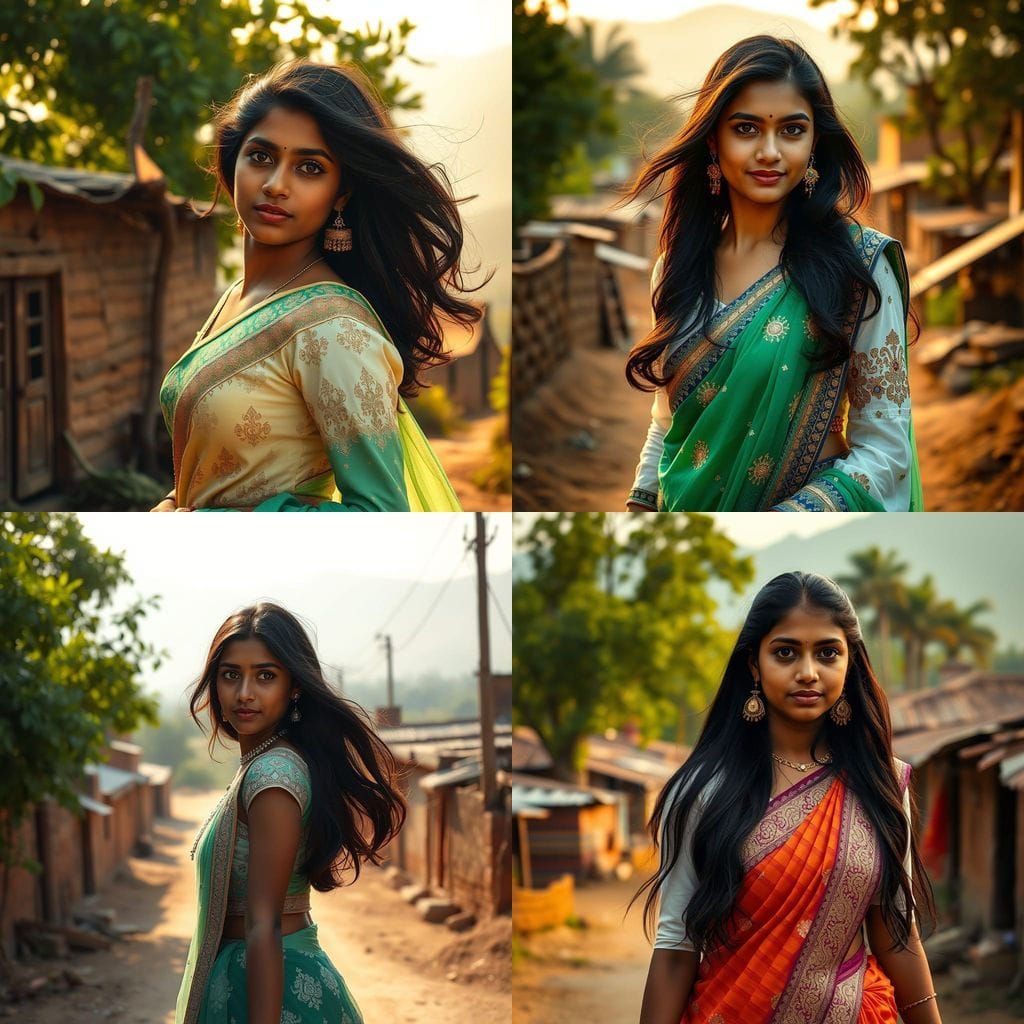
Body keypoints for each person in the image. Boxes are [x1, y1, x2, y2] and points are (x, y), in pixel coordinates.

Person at [153, 60, 482, 512]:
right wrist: (172, 504)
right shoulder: (237, 298)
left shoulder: (334, 330)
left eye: (309, 168)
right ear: (233, 163)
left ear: (340, 194)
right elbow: (210, 471)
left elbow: (382, 516)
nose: (275, 185)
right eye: (261, 157)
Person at [625, 37, 922, 512]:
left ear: (813, 143)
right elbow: (667, 423)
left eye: (791, 130)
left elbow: (886, 448)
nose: (769, 151)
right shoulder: (677, 267)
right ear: (713, 142)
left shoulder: (859, 267)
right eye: (745, 129)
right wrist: (640, 507)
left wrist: (787, 517)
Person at [636, 572, 941, 1024]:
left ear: (850, 663)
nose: (807, 672)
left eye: (827, 653)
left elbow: (897, 934)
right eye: (785, 652)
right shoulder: (704, 790)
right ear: (754, 666)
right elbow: (677, 948)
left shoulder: (882, 785)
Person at [175, 602, 405, 1023]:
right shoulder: (263, 766)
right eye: (231, 675)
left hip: (271, 992)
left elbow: (263, 924)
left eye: (265, 675)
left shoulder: (273, 776)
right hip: (249, 980)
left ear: (293, 687)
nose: (245, 692)